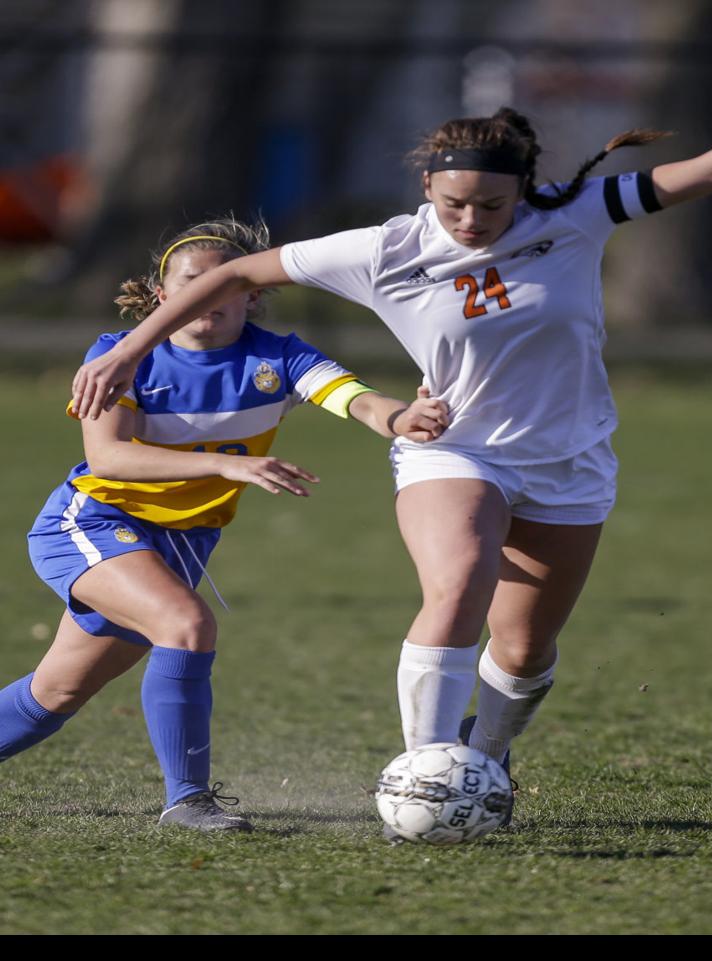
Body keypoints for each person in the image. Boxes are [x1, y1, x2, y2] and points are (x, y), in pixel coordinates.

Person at [69, 68, 712, 833]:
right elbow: (230, 275)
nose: (472, 220)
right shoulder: (386, 250)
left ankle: (483, 762)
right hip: (455, 446)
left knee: (523, 651)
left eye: (491, 205)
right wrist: (128, 348)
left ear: (525, 188)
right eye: (454, 204)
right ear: (428, 187)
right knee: (459, 581)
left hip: (570, 460)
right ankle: (426, 771)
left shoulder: (581, 213)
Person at [1, 218, 449, 832]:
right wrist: (228, 465)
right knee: (185, 625)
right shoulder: (119, 354)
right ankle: (188, 802)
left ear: (251, 293)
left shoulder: (280, 357)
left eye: (221, 286)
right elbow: (110, 457)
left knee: (54, 694)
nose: (205, 298)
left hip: (180, 544)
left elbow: (357, 398)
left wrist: (402, 418)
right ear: (163, 298)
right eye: (190, 287)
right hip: (93, 521)